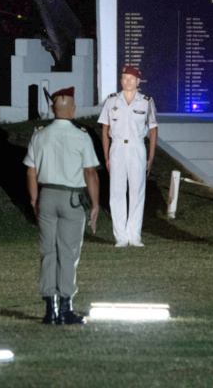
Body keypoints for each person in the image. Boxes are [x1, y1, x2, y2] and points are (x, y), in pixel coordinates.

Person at [24, 87, 100, 325]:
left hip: (47, 195)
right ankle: (66, 307)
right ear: (73, 109)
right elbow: (90, 173)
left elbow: (31, 170)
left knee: (48, 252)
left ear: (52, 109)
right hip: (71, 199)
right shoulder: (81, 136)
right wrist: (95, 205)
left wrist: (35, 199)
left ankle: (50, 309)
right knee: (68, 253)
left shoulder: (39, 135)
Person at [98, 65, 158, 247]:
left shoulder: (146, 102)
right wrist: (107, 157)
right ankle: (121, 237)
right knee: (116, 193)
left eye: (132, 78)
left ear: (138, 82)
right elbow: (104, 130)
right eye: (125, 78)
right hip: (117, 148)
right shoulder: (111, 101)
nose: (128, 81)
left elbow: (153, 130)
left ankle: (134, 235)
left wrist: (151, 157)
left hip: (137, 148)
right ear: (121, 80)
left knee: (137, 192)